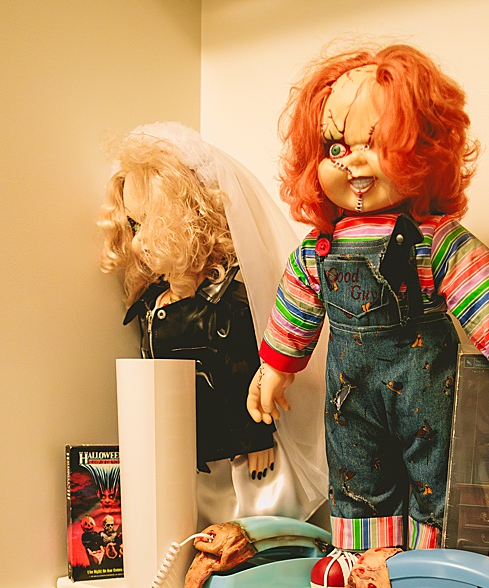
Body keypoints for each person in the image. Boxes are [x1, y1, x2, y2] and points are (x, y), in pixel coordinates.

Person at [247, 45, 489, 561]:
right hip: (350, 397)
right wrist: (276, 365)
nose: (354, 163)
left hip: (426, 387)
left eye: (380, 144)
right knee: (355, 473)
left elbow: (480, 286)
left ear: (424, 151)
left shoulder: (431, 239)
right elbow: (296, 304)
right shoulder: (320, 246)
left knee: (436, 473)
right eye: (335, 148)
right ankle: (365, 564)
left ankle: (430, 565)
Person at [100, 122, 326, 525]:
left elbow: (247, 368)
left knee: (244, 511)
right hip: (188, 443)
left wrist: (258, 434)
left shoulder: (228, 302)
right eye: (134, 225)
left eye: (151, 222)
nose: (138, 241)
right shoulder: (154, 302)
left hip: (237, 444)